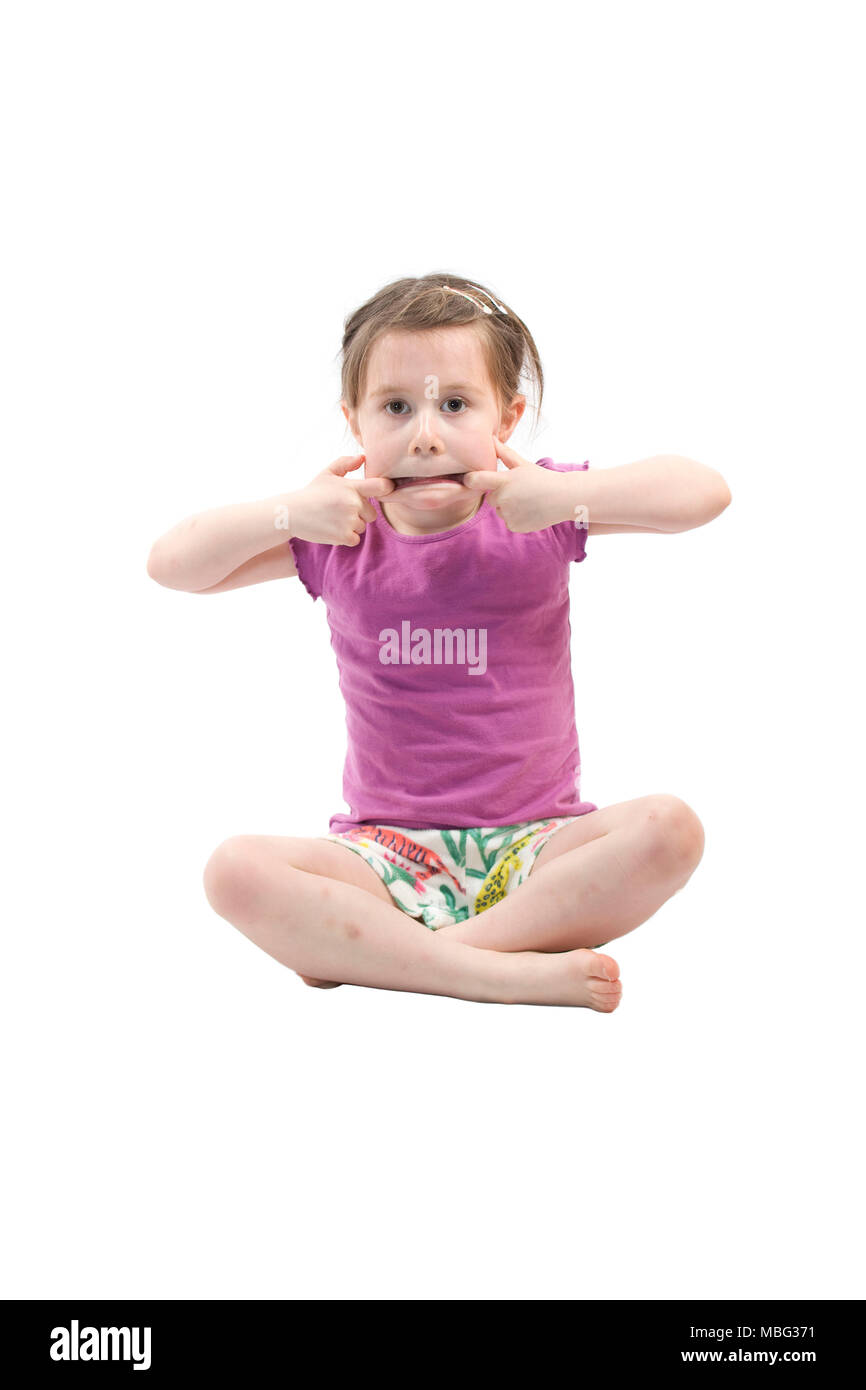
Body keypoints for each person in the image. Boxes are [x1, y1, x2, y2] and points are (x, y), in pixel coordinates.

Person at [147, 273, 731, 1009]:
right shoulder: (339, 534)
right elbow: (170, 565)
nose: (425, 433)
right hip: (382, 856)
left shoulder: (539, 510)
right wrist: (290, 512)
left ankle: (412, 960)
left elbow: (703, 492)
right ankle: (500, 971)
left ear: (507, 418)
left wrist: (564, 495)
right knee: (232, 871)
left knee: (671, 829)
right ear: (355, 426)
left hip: (536, 850)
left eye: (455, 404)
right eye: (395, 407)